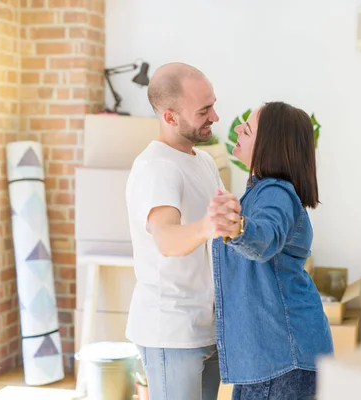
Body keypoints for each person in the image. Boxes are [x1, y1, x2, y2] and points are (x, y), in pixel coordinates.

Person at [208, 101, 334, 399]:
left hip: (281, 358)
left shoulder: (274, 192)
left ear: (268, 145)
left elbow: (265, 236)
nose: (237, 128)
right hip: (275, 357)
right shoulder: (262, 192)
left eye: (247, 129)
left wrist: (236, 228)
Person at [125, 62, 235, 400]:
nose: (215, 117)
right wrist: (210, 225)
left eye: (213, 105)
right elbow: (167, 240)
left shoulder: (200, 161)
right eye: (204, 110)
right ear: (170, 118)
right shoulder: (158, 168)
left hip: (205, 325)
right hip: (171, 330)